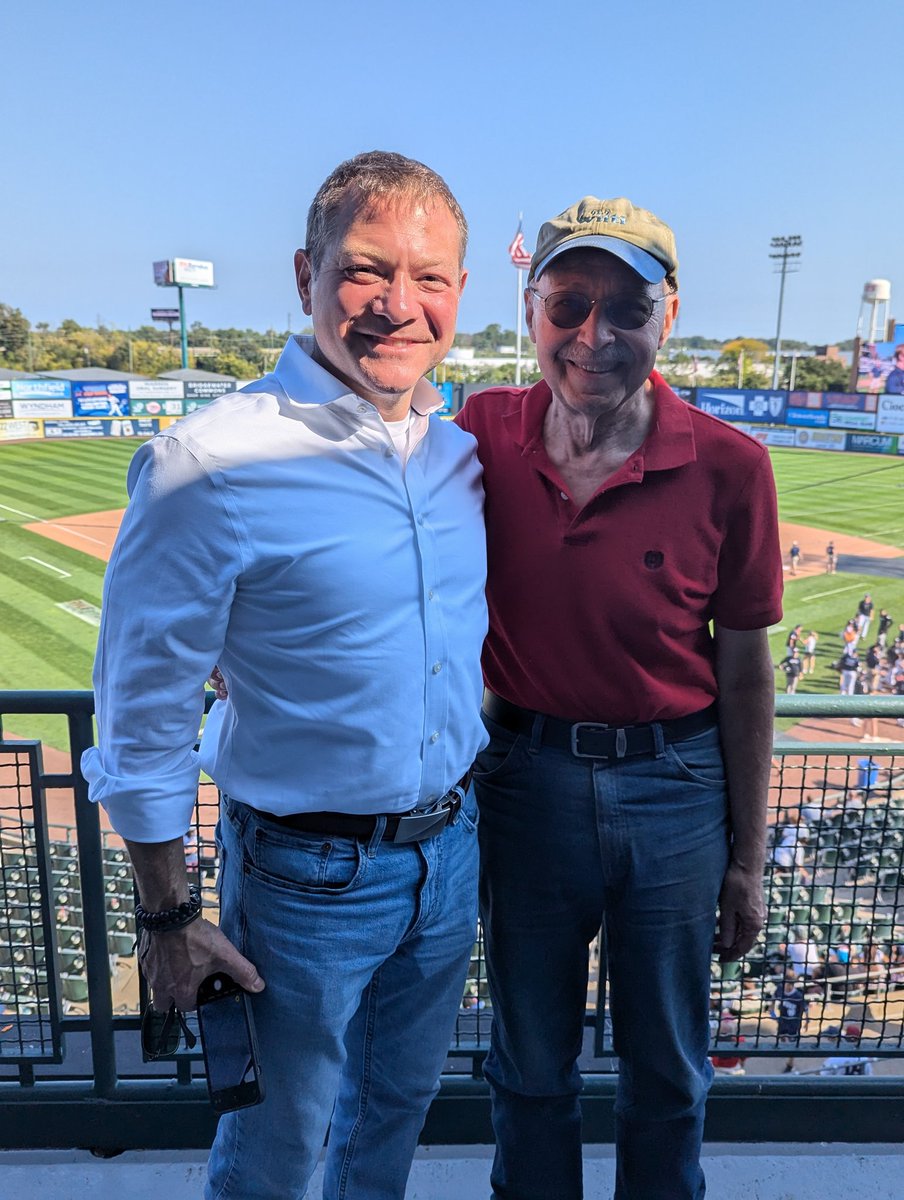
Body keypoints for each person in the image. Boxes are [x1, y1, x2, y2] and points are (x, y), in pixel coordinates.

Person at [81, 151, 489, 1200]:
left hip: (449, 857)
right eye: (366, 271)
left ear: (458, 295)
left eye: (430, 278)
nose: (399, 306)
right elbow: (141, 715)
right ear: (305, 273)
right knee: (274, 1151)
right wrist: (167, 919)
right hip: (306, 882)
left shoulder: (454, 455)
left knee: (390, 1119)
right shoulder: (209, 462)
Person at [456, 195, 782, 1200]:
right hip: (526, 781)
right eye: (568, 304)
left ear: (668, 317)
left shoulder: (733, 467)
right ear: (530, 310)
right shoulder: (478, 428)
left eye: (625, 308)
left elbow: (744, 672)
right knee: (529, 1071)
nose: (592, 336)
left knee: (669, 1075)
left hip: (677, 790)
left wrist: (747, 858)